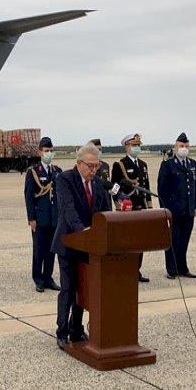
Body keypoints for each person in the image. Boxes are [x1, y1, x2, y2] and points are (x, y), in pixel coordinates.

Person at [51, 144, 111, 350]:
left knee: (83, 287)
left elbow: (104, 212)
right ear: (79, 163)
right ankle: (62, 330)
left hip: (89, 247)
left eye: (97, 166)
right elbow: (68, 211)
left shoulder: (99, 184)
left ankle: (76, 328)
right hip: (69, 242)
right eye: (90, 166)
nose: (94, 170)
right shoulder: (64, 180)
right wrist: (84, 232)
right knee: (68, 288)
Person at [111, 133, 152, 282]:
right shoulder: (119, 165)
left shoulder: (143, 165)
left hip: (141, 208)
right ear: (126, 146)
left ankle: (137, 270)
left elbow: (146, 187)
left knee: (139, 242)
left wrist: (149, 206)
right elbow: (114, 187)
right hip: (127, 208)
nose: (136, 148)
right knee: (127, 241)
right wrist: (118, 203)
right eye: (134, 145)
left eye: (138, 145)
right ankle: (125, 270)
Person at [158, 132, 196, 279]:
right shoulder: (168, 165)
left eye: (186, 146)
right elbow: (162, 190)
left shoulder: (192, 164)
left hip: (188, 210)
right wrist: (165, 209)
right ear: (175, 147)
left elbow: (195, 188)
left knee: (184, 240)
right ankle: (171, 269)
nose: (184, 148)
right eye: (181, 146)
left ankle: (183, 267)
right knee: (172, 241)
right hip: (174, 210)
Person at [24, 137, 61, 293]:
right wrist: (31, 218)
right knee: (39, 250)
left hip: (54, 219)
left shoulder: (57, 171)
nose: (49, 154)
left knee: (51, 251)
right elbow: (29, 196)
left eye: (51, 151)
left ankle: (48, 278)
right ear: (40, 152)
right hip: (39, 219)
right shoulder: (33, 172)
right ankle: (38, 279)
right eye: (46, 151)